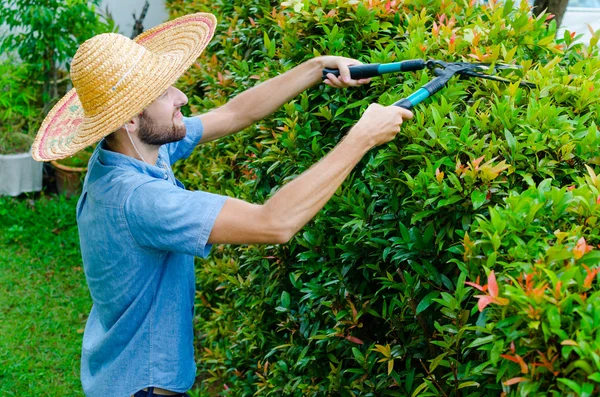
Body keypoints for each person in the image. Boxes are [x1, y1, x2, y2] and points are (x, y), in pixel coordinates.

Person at [32, 12, 413, 397]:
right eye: (165, 92)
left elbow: (233, 114)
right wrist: (361, 137)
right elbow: (274, 223)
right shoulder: (139, 199)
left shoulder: (132, 149)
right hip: (142, 386)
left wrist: (317, 66)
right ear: (131, 119)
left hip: (119, 372)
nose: (182, 96)